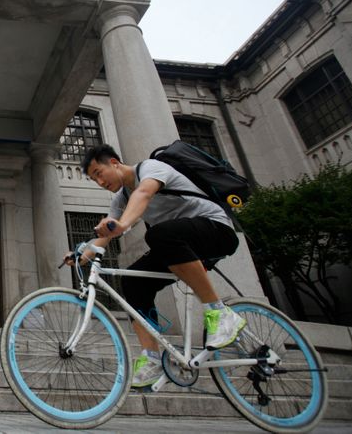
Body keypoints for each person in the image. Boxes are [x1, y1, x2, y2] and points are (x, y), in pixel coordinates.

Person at [65, 143, 245, 389]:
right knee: (132, 283)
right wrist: (80, 255)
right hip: (178, 244)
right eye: (94, 179)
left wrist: (123, 223)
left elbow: (144, 194)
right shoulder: (121, 197)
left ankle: (221, 313)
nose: (100, 182)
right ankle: (151, 358)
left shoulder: (151, 168)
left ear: (114, 163)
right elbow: (106, 235)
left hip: (216, 230)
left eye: (99, 173)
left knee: (159, 235)